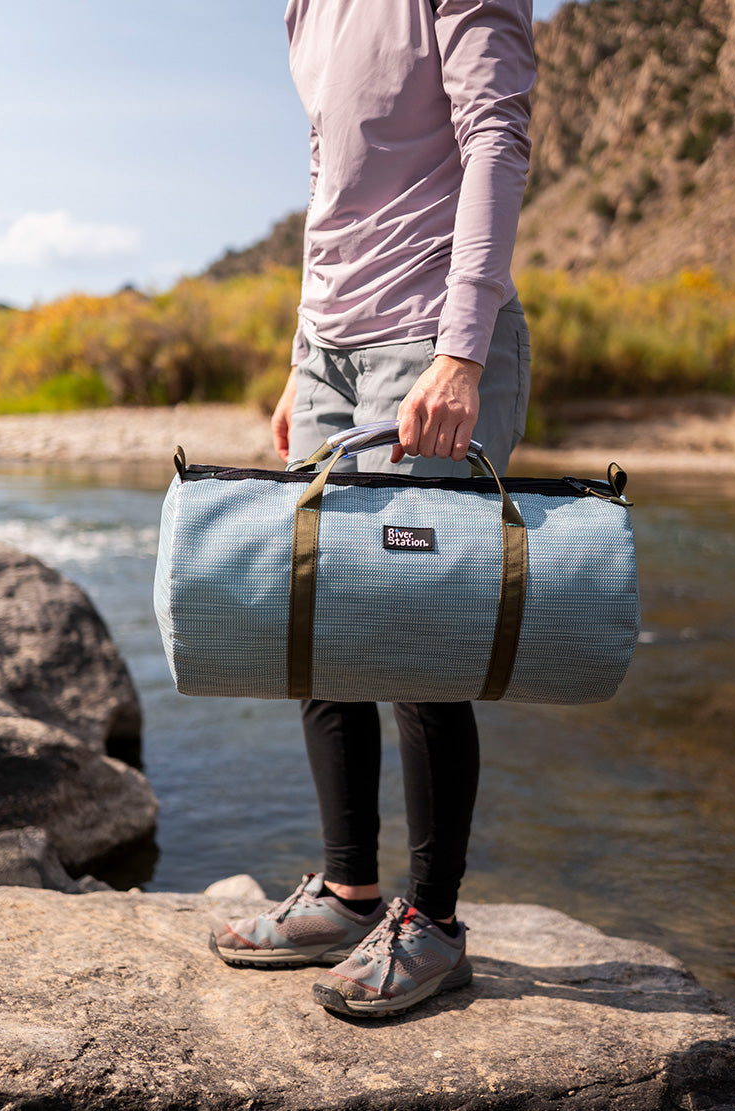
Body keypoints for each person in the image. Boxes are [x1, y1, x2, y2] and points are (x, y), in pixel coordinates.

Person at [210, 0, 536, 1019]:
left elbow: (496, 133)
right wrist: (297, 360)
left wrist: (460, 348)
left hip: (425, 341)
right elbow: (328, 178)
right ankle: (349, 892)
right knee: (318, 623)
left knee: (413, 636)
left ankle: (431, 922)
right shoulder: (305, 8)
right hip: (328, 356)